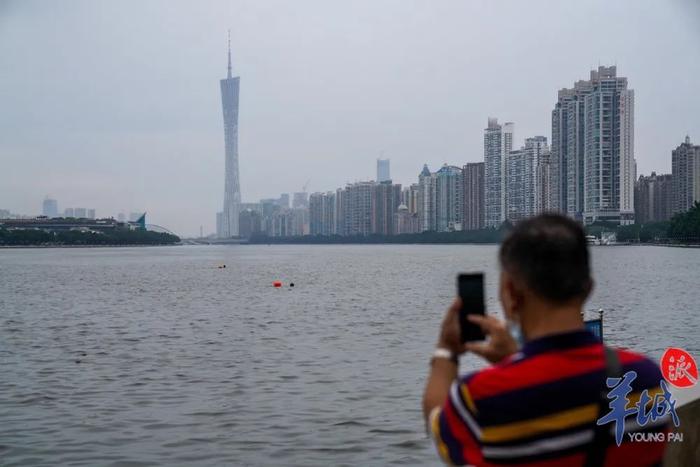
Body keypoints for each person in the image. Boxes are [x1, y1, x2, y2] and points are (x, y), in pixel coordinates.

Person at [422, 214, 669, 466]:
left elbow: (439, 430)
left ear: (510, 293)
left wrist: (446, 350)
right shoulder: (647, 382)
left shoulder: (481, 397)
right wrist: (515, 358)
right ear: (588, 288)